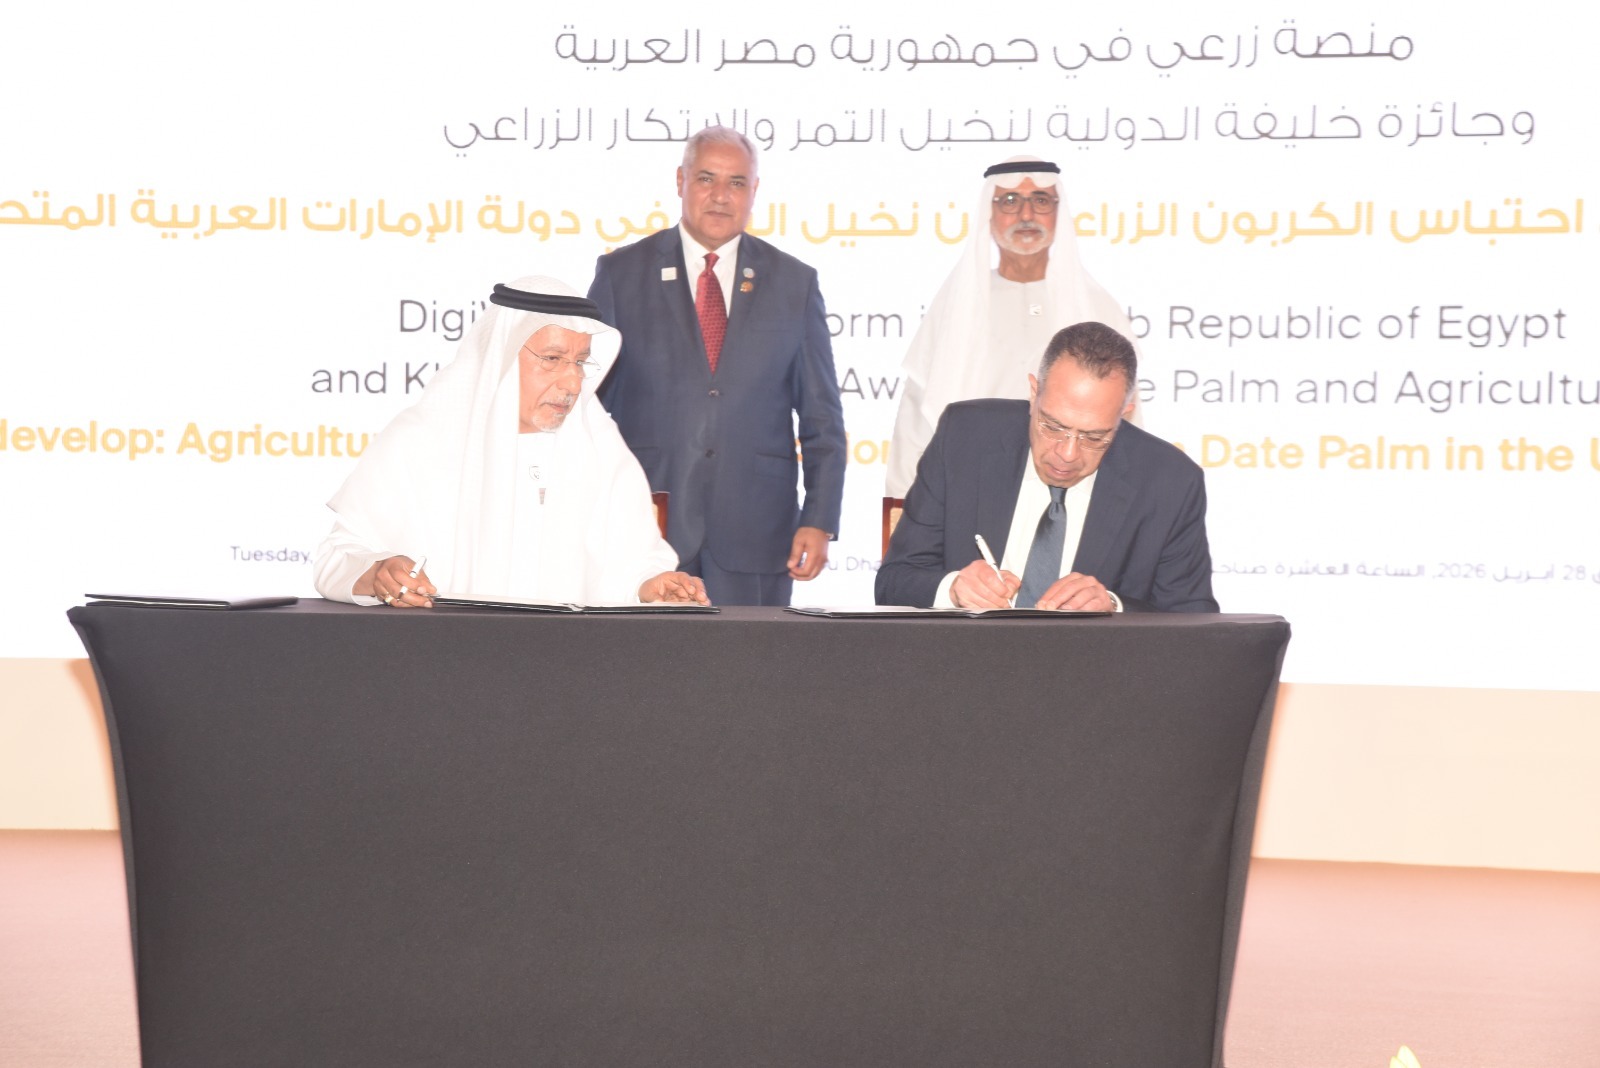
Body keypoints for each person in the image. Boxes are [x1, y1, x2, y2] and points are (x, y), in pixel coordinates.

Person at [313, 276, 708, 608]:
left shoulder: (600, 446)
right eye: (552, 359)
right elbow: (335, 559)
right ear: (500, 358)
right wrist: (378, 572)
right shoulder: (421, 438)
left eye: (579, 362)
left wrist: (650, 586)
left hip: (570, 663)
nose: (573, 383)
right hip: (443, 662)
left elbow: (631, 563)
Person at [587, 126, 847, 606]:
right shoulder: (622, 274)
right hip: (645, 528)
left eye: (737, 183)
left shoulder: (794, 283)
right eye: (707, 178)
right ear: (681, 180)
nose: (721, 196)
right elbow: (587, 408)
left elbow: (822, 418)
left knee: (752, 658)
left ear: (755, 191)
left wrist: (819, 519)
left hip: (758, 532)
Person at [876, 321, 1216, 613]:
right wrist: (953, 588)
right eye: (1052, 426)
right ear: (1033, 393)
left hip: (1095, 669)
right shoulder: (965, 438)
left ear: (1124, 414)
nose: (1067, 454)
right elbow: (893, 582)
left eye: (1094, 436)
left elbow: (1193, 621)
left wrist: (1114, 607)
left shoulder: (1170, 482)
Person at [884, 157, 1138, 496]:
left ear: (1058, 211)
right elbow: (915, 422)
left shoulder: (1096, 306)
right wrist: (897, 509)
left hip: (1073, 493)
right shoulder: (956, 305)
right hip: (969, 490)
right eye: (1009, 200)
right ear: (988, 213)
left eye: (1041, 200)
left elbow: (1125, 419)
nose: (1026, 214)